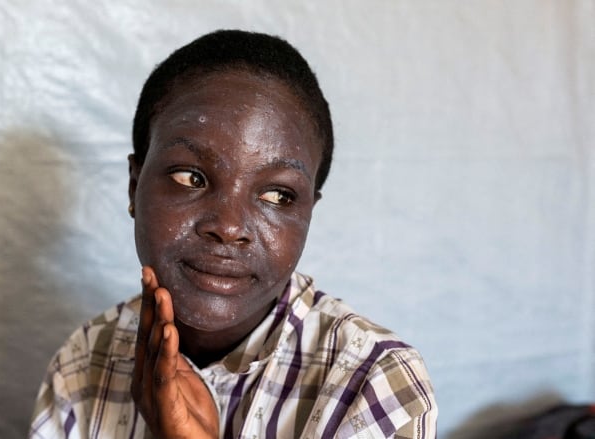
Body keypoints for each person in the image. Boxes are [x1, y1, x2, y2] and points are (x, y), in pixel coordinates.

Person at [29, 29, 437, 439]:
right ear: (135, 185)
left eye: (278, 194)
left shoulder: (373, 384)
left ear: (309, 211)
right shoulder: (84, 361)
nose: (228, 227)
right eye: (191, 177)